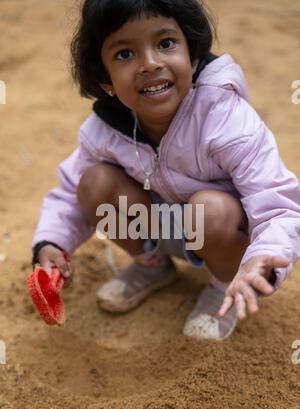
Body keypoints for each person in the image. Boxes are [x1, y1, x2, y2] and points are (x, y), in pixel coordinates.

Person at [32, 0, 300, 340]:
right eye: (125, 54)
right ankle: (153, 266)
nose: (150, 63)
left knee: (210, 209)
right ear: (106, 82)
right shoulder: (105, 130)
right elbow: (70, 194)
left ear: (194, 54)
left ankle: (224, 285)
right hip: (160, 224)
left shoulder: (225, 119)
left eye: (165, 43)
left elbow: (278, 204)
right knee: (94, 183)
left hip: (222, 231)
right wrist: (50, 243)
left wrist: (263, 257)